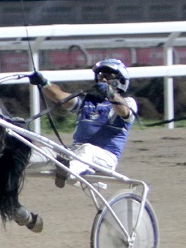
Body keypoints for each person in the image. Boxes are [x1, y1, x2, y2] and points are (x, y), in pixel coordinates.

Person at [28, 58, 138, 187]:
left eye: (107, 76)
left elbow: (124, 111)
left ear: (120, 81)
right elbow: (61, 97)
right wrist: (44, 83)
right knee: (45, 151)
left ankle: (68, 171)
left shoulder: (129, 102)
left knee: (87, 149)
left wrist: (111, 94)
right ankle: (5, 164)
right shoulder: (87, 101)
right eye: (100, 76)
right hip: (75, 153)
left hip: (105, 158)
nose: (102, 79)